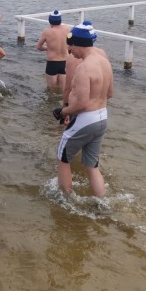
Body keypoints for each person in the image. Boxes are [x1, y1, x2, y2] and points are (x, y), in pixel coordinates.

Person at [53, 22, 114, 197]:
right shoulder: (104, 62)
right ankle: (102, 203)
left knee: (63, 159)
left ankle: (65, 200)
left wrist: (62, 112)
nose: (70, 50)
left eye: (71, 46)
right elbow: (110, 93)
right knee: (91, 165)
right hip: (102, 117)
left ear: (78, 43)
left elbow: (81, 104)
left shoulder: (84, 68)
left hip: (85, 120)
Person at [36, 10, 70, 89]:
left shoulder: (47, 32)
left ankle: (52, 101)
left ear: (50, 20)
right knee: (62, 89)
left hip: (53, 62)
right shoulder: (68, 29)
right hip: (65, 61)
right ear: (60, 20)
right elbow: (72, 42)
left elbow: (38, 46)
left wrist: (47, 48)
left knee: (51, 90)